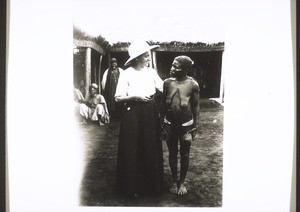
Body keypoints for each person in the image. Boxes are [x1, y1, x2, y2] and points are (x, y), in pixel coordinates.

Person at [114, 41, 164, 197]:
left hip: (149, 111)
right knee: (132, 146)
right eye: (145, 56)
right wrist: (135, 97)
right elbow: (118, 98)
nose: (148, 58)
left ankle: (150, 186)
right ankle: (131, 187)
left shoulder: (151, 72)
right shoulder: (126, 73)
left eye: (148, 55)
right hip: (132, 113)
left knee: (149, 145)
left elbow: (164, 87)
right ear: (136, 58)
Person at [161, 55, 200, 195]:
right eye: (172, 65)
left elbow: (195, 107)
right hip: (169, 124)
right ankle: (174, 181)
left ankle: (182, 183)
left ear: (185, 69)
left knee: (184, 154)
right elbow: (163, 106)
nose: (172, 69)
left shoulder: (193, 85)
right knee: (172, 153)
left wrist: (195, 127)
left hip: (186, 125)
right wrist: (162, 125)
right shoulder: (167, 83)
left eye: (176, 66)